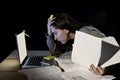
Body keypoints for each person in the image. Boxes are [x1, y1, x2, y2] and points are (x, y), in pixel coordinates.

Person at [45, 13, 120, 79]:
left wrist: (105, 71)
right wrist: (49, 34)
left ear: (66, 30)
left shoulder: (86, 32)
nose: (55, 38)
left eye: (55, 33)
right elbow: (54, 54)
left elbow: (113, 52)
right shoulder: (69, 42)